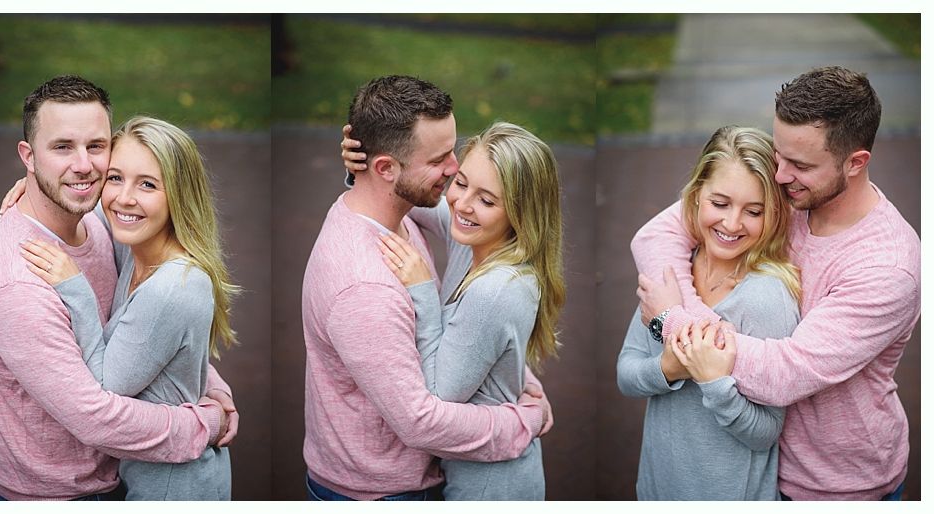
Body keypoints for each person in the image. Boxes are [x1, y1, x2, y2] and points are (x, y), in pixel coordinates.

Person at [632, 66, 920, 500]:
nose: (780, 175)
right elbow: (656, 235)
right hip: (755, 469)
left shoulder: (887, 268)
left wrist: (673, 324)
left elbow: (785, 373)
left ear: (856, 162)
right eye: (779, 154)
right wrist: (689, 312)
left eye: (800, 164)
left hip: (834, 484)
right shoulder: (788, 195)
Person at [0, 75, 236, 501]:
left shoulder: (100, 225)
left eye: (95, 147)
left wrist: (210, 386)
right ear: (28, 156)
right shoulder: (17, 285)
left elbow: (150, 328)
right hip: (58, 495)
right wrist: (205, 423)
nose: (83, 165)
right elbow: (97, 417)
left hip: (120, 480)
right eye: (61, 147)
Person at [302, 75, 550, 501]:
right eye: (440, 159)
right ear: (386, 168)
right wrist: (521, 421)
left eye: (453, 151)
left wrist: (360, 174)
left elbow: (406, 195)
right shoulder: (366, 289)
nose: (454, 169)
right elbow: (422, 421)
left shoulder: (396, 211)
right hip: (382, 494)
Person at [345, 121, 564, 499]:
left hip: (490, 486)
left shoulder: (496, 290)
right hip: (471, 469)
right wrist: (362, 171)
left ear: (520, 213)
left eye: (487, 200)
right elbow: (409, 198)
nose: (462, 204)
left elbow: (439, 396)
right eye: (461, 183)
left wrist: (422, 290)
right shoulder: (477, 237)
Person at [617, 126, 799, 500]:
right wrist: (668, 369)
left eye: (754, 211)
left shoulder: (765, 297)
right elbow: (626, 372)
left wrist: (714, 382)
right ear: (696, 196)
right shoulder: (670, 272)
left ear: (774, 214)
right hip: (656, 489)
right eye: (720, 203)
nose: (732, 224)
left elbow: (765, 433)